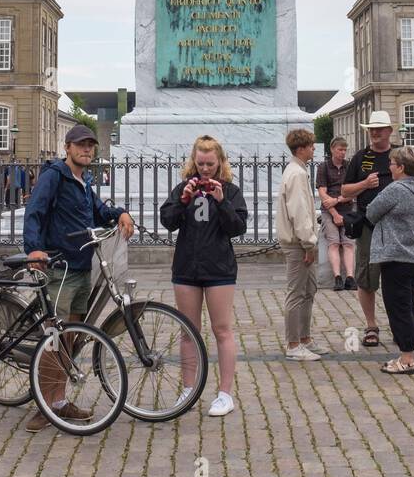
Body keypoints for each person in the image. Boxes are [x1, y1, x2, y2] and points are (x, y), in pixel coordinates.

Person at [23, 124, 135, 432]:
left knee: (70, 338)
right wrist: (33, 250)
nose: (86, 150)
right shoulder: (54, 177)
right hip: (59, 268)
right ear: (68, 147)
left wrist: (121, 213)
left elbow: (98, 212)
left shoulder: (83, 182)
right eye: (81, 145)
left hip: (82, 267)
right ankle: (46, 406)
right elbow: (34, 212)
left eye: (90, 146)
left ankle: (57, 400)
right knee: (54, 339)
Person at [159, 134, 248, 417]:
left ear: (220, 162)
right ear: (193, 161)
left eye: (210, 163)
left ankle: (225, 394)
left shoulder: (231, 190)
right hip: (186, 267)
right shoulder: (184, 187)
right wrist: (182, 201)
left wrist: (222, 201)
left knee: (222, 330)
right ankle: (188, 389)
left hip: (219, 268)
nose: (205, 169)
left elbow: (238, 228)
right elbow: (167, 221)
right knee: (188, 331)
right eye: (200, 163)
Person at [364, 146, 414, 375]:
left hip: (397, 255)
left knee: (398, 308)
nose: (389, 167)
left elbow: (371, 212)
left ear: (401, 167)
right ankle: (406, 354)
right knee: (409, 306)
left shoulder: (396, 189)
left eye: (392, 163)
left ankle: (407, 359)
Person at [339, 111, 395, 348]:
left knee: (395, 279)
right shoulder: (361, 158)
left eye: (380, 128)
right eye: (372, 128)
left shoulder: (399, 155)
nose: (375, 132)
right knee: (366, 278)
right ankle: (371, 325)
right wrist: (364, 184)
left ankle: (399, 325)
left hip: (395, 226)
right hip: (368, 226)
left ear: (390, 131)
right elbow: (344, 192)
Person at [276, 128, 323, 361]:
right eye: (312, 145)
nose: (314, 149)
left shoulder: (298, 171)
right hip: (298, 243)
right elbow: (299, 211)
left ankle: (304, 338)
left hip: (302, 242)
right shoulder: (296, 174)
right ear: (302, 148)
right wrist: (308, 243)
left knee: (308, 290)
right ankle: (293, 344)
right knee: (296, 293)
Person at [315, 136, 356, 291]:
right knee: (333, 242)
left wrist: (337, 200)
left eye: (344, 150)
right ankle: (337, 277)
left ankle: (350, 277)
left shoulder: (349, 166)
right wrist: (334, 213)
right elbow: (323, 194)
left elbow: (354, 191)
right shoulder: (324, 167)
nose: (342, 153)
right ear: (332, 149)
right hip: (329, 211)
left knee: (348, 243)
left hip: (346, 207)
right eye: (340, 149)